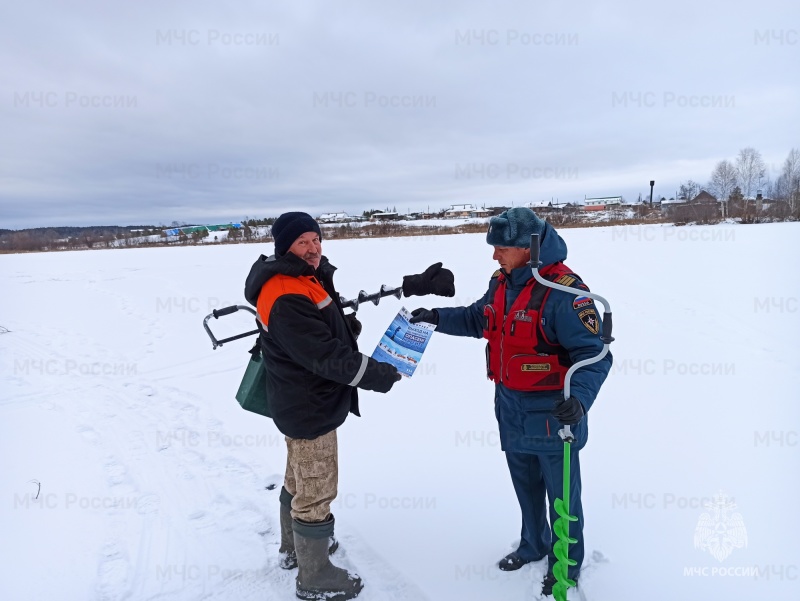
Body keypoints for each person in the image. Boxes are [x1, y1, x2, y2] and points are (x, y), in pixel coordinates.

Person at [244, 211, 454, 600]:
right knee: (317, 487)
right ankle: (315, 575)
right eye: (302, 242)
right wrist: (376, 374)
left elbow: (322, 326)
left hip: (301, 401)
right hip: (309, 406)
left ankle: (296, 551)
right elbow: (324, 357)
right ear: (283, 246)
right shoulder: (285, 292)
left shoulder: (301, 278)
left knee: (299, 478)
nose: (312, 248)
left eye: (315, 239)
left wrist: (349, 324)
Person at [410, 207, 611, 597]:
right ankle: (532, 544)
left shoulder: (566, 293)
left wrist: (581, 400)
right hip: (511, 411)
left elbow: (595, 356)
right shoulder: (501, 282)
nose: (494, 255)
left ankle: (565, 566)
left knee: (563, 500)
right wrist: (435, 316)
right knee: (526, 489)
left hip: (555, 418)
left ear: (529, 248)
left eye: (501, 247)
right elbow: (478, 319)